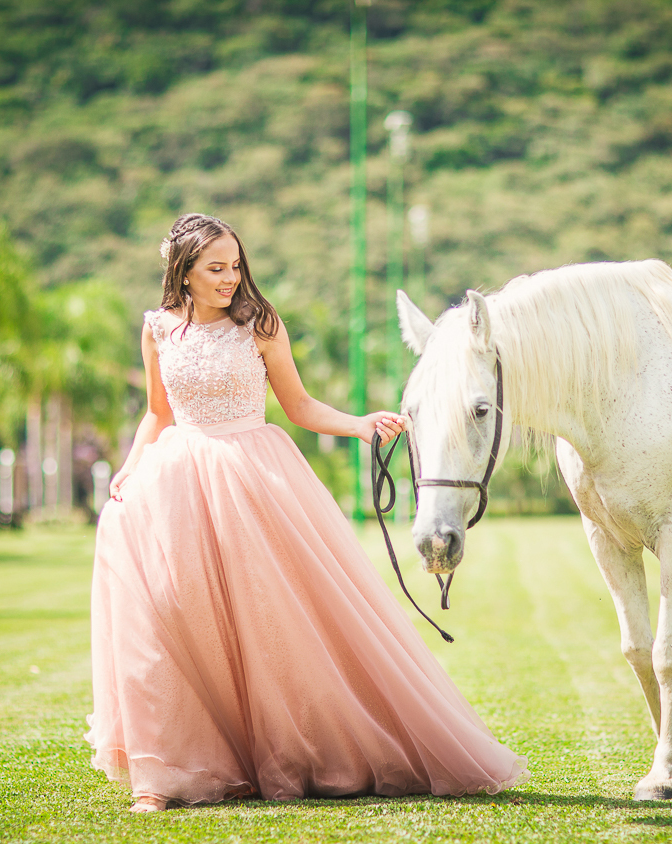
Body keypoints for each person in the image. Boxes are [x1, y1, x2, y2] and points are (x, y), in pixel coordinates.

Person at [86, 213, 527, 812]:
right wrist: (131, 466)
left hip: (254, 478)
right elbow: (158, 413)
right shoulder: (158, 330)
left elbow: (297, 405)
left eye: (235, 266)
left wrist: (361, 426)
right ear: (182, 272)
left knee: (272, 623)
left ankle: (298, 751)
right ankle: (167, 774)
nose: (229, 279)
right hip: (177, 482)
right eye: (215, 268)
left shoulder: (260, 325)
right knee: (172, 618)